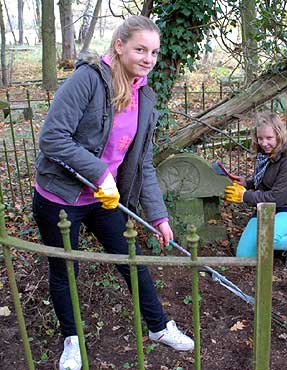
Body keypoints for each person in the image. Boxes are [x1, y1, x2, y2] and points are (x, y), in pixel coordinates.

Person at [32, 15, 194, 370]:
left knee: (130, 259)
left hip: (103, 199)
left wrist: (159, 216)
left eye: (153, 51)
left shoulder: (144, 95)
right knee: (65, 270)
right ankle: (72, 340)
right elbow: (52, 138)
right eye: (140, 49)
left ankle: (158, 327)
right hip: (60, 197)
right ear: (119, 46)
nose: (148, 58)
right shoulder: (87, 80)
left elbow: (142, 164)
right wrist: (99, 172)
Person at [224, 111, 287, 267]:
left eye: (269, 138)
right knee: (243, 257)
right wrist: (247, 184)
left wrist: (244, 196)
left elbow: (277, 198)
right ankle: (274, 240)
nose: (264, 143)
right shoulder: (266, 154)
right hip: (265, 209)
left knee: (268, 237)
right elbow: (265, 181)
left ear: (279, 135)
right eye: (260, 138)